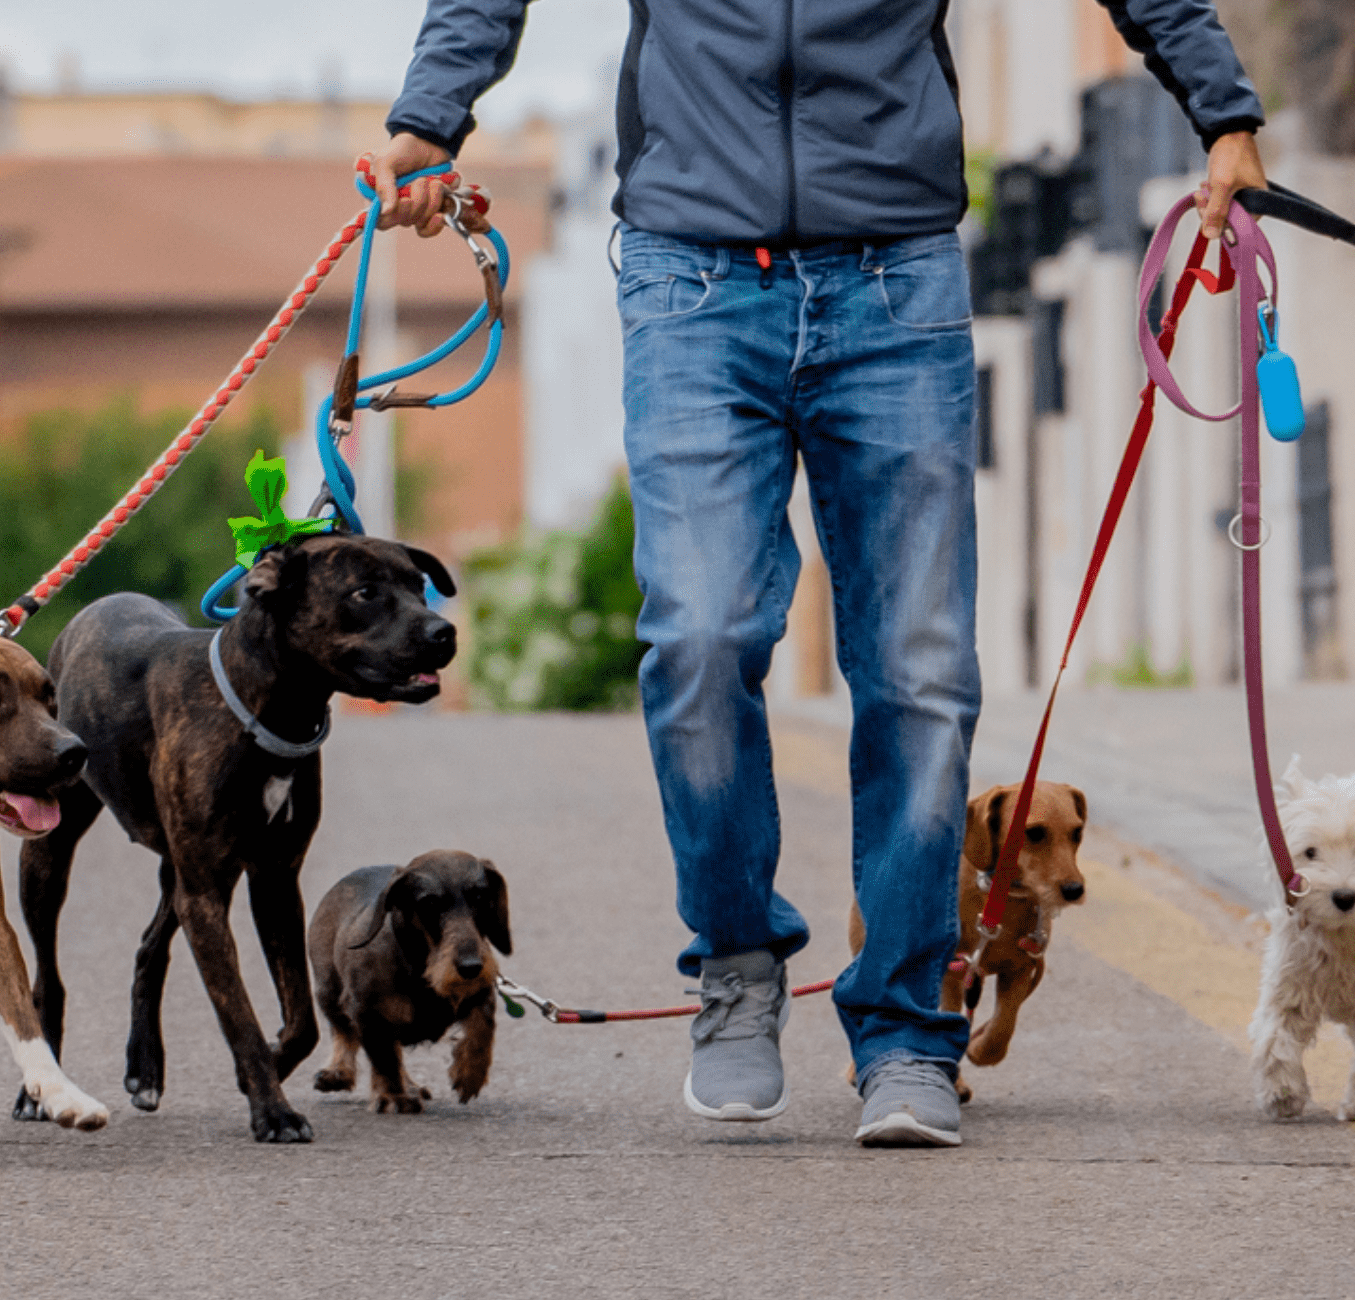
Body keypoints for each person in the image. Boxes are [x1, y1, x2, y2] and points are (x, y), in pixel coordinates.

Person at [371, 0, 1269, 1148]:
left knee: (918, 670)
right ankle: (738, 964)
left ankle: (904, 1028)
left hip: (893, 277)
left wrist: (1222, 111)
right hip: (690, 278)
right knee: (696, 638)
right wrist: (431, 115)